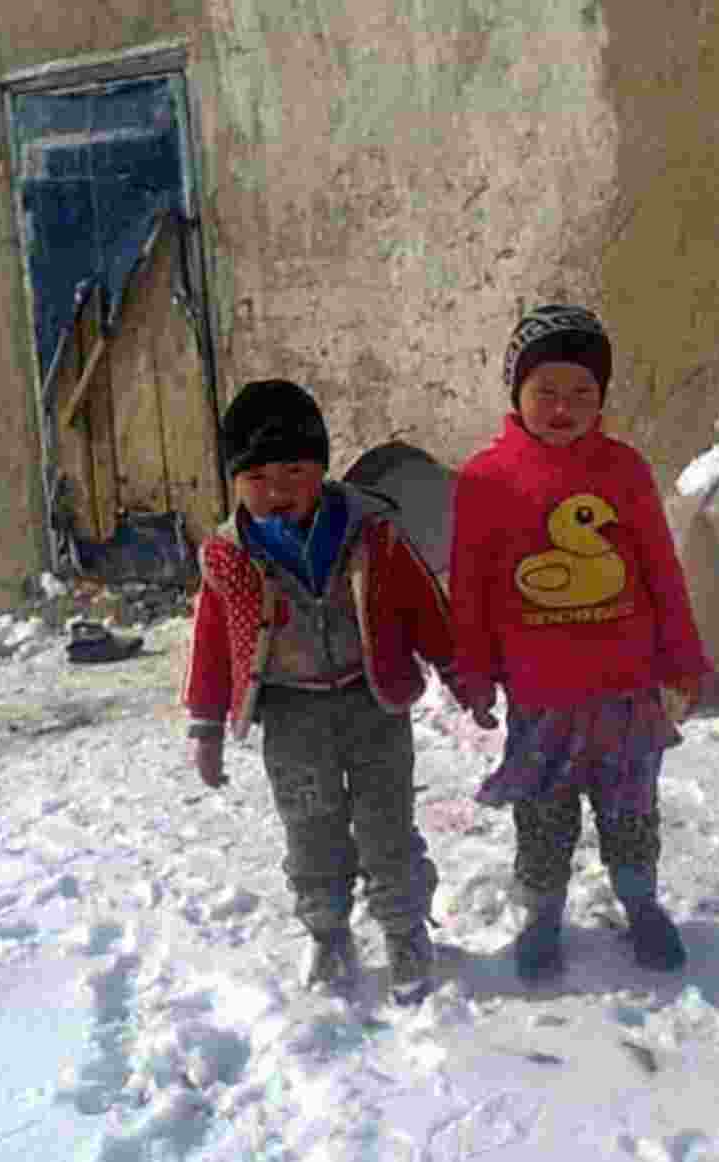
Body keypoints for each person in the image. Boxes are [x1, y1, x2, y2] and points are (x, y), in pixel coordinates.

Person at [450, 305, 711, 982]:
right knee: (543, 816)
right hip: (540, 695)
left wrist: (683, 658)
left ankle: (641, 904)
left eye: (582, 393)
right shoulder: (486, 480)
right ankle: (541, 915)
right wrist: (474, 675)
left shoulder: (624, 471)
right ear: (517, 393)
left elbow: (660, 571)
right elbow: (471, 590)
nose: (564, 408)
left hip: (627, 691)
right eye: (547, 392)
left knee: (631, 809)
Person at [183, 378, 461, 1005]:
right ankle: (328, 931)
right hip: (292, 716)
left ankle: (403, 928)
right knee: (311, 827)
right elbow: (211, 646)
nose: (276, 489)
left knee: (387, 824)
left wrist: (461, 675)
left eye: (293, 470)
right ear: (234, 482)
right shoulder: (229, 556)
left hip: (373, 705)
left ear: (322, 468)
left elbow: (426, 608)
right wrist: (206, 726)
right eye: (256, 477)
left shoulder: (372, 531)